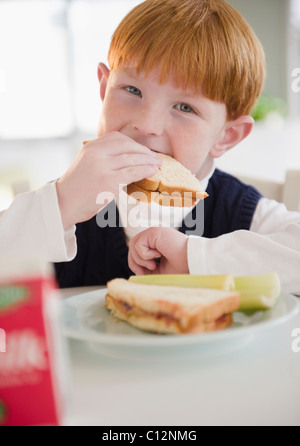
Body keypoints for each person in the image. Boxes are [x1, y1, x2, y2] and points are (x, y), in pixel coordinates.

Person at [2, 0, 300, 295]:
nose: (146, 125)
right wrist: (61, 206)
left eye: (184, 107)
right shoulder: (67, 201)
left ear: (227, 135)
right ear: (104, 90)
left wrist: (195, 257)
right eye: (132, 90)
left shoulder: (241, 212)